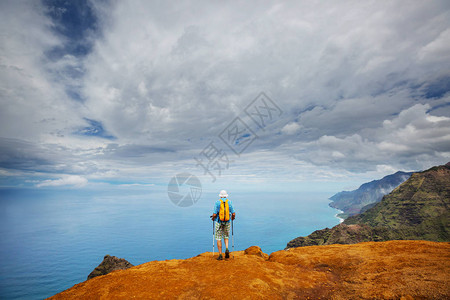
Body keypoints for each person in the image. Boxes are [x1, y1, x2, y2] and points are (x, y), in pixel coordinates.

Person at [211, 190, 235, 260]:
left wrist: (213, 218)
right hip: (227, 221)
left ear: (220, 196)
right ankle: (227, 249)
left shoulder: (217, 202)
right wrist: (232, 218)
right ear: (226, 195)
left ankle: (220, 255)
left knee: (218, 238)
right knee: (226, 236)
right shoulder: (229, 202)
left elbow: (214, 214)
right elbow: (233, 213)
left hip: (219, 221)